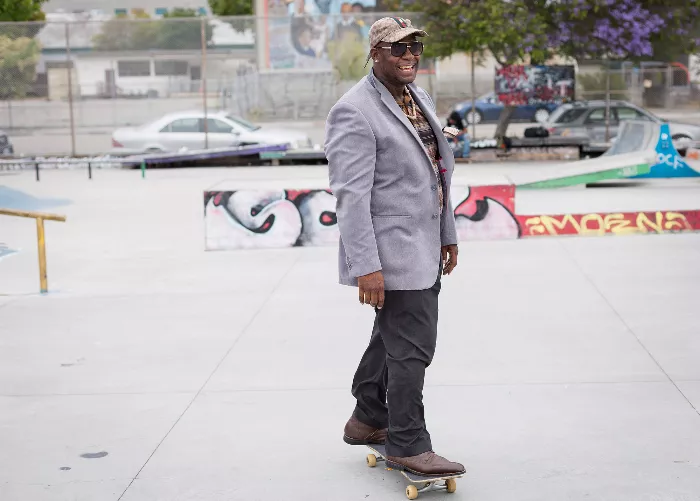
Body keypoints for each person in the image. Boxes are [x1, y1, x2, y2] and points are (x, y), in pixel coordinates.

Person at [325, 17, 465, 476]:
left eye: (414, 47)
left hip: (423, 246)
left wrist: (447, 234)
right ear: (375, 54)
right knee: (413, 347)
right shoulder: (354, 110)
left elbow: (435, 173)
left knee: (392, 338)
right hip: (392, 254)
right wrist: (367, 266)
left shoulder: (414, 97)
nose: (409, 56)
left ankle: (368, 416)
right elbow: (351, 197)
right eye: (398, 48)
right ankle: (407, 441)